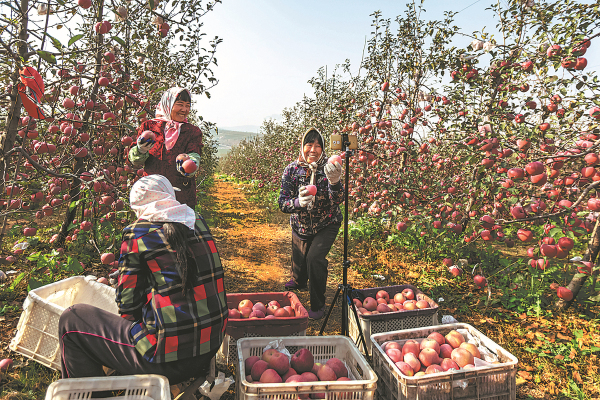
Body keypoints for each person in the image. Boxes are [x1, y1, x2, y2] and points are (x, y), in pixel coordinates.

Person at [58, 175, 228, 383]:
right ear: (169, 196)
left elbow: (128, 306)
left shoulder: (138, 234)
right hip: (207, 350)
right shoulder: (197, 221)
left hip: (167, 361)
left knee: (72, 319)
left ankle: (92, 395)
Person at [278, 128, 344, 320]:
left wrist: (335, 182)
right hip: (301, 225)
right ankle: (299, 281)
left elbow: (338, 200)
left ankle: (318, 304)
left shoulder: (330, 168)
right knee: (299, 263)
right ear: (302, 146)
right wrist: (297, 203)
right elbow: (282, 203)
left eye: (318, 145)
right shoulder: (292, 170)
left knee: (314, 259)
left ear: (323, 149)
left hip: (326, 222)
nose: (313, 149)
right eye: (309, 144)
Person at [128, 87, 202, 210]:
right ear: (168, 104)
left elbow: (194, 154)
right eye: (180, 105)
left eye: (187, 105)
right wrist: (140, 150)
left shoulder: (192, 131)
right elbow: (135, 161)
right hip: (151, 192)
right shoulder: (149, 127)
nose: (184, 109)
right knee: (151, 227)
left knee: (179, 227)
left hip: (181, 194)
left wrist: (189, 164)